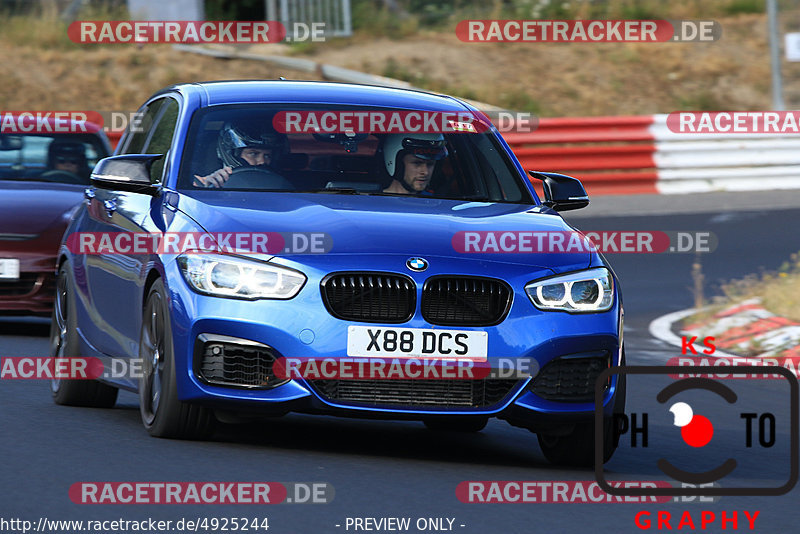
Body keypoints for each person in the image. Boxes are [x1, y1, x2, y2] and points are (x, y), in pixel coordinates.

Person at [193, 121, 287, 188]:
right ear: (232, 154)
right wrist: (210, 187)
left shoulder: (282, 186)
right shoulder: (212, 181)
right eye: (253, 153)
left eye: (267, 156)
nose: (262, 161)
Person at [382, 133, 448, 194]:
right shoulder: (374, 202)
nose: (426, 172)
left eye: (430, 164)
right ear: (398, 165)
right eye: (417, 163)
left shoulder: (437, 203)